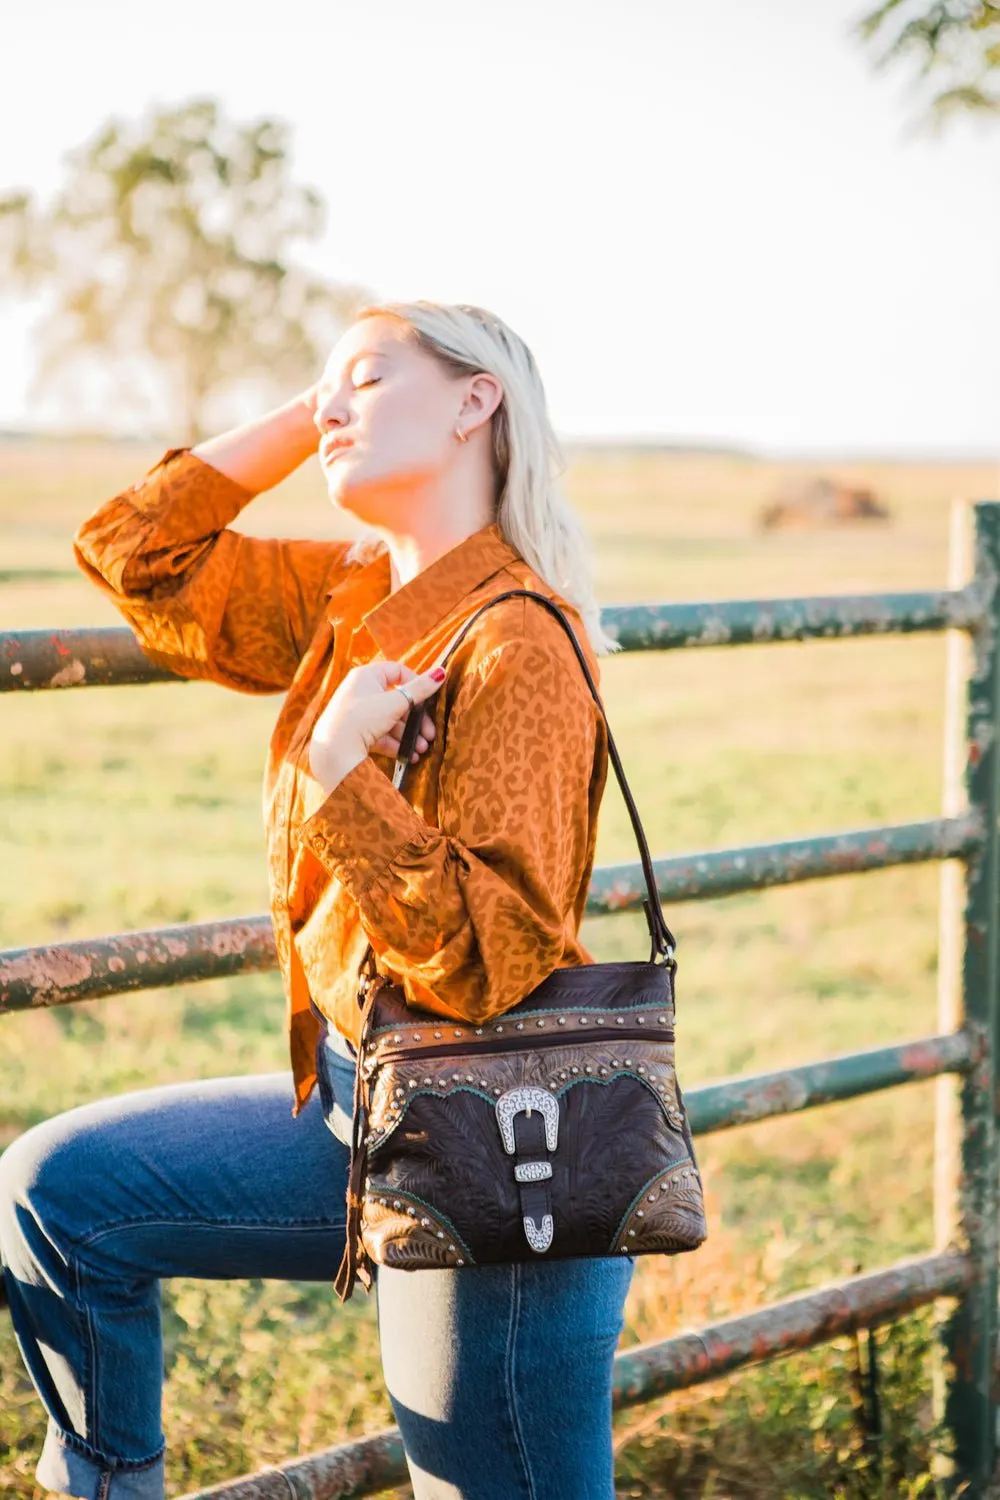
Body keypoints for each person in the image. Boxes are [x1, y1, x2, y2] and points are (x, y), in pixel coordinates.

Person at [0, 300, 634, 1500]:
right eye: (318, 389)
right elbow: (136, 550)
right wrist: (314, 415)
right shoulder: (352, 595)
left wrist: (342, 771)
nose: (331, 405)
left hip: (499, 1149)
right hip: (360, 1109)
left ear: (473, 402)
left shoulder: (516, 644)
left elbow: (482, 966)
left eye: (366, 380)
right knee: (57, 1196)